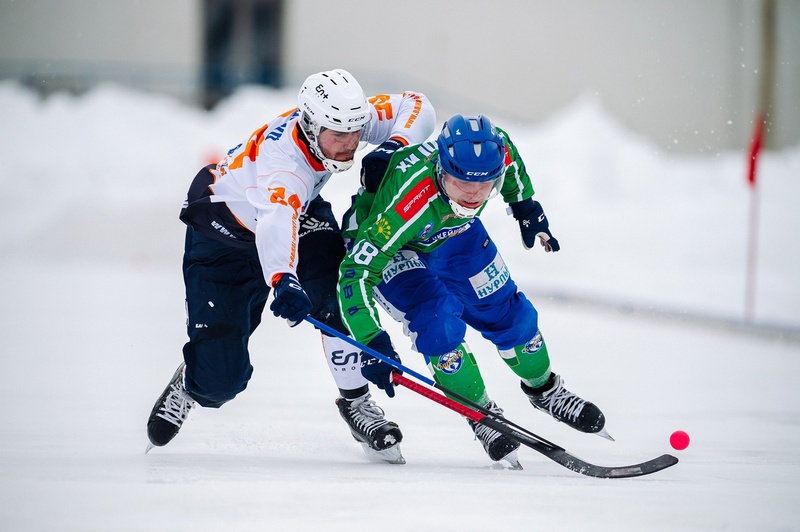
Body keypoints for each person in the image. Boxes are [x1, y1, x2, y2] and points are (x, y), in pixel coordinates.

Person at [146, 69, 435, 463]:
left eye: (356, 133)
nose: (350, 145)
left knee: (336, 299)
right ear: (311, 126)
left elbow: (416, 105)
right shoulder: (284, 164)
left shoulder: (339, 122)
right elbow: (276, 221)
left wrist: (393, 145)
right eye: (338, 136)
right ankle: (191, 380)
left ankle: (356, 402)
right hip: (223, 235)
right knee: (220, 382)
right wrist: (284, 279)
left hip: (296, 215)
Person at [337, 114, 608, 465]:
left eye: (485, 186)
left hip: (452, 232)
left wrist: (523, 203)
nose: (474, 194)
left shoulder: (492, 155)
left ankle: (545, 390)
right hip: (395, 245)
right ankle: (480, 411)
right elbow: (355, 273)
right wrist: (370, 340)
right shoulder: (407, 203)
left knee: (509, 313)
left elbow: (508, 156)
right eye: (462, 182)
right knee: (438, 321)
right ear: (440, 169)